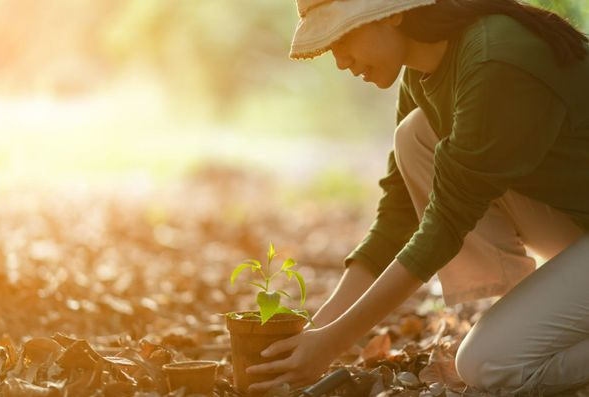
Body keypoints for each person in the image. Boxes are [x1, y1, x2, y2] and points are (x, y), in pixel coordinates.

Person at [245, 0, 589, 395]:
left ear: (389, 12)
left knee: (489, 364)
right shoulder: (422, 75)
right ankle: (530, 310)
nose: (340, 61)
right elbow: (400, 216)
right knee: (415, 134)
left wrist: (333, 343)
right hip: (577, 226)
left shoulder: (495, 61)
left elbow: (443, 226)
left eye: (342, 37)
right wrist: (317, 332)